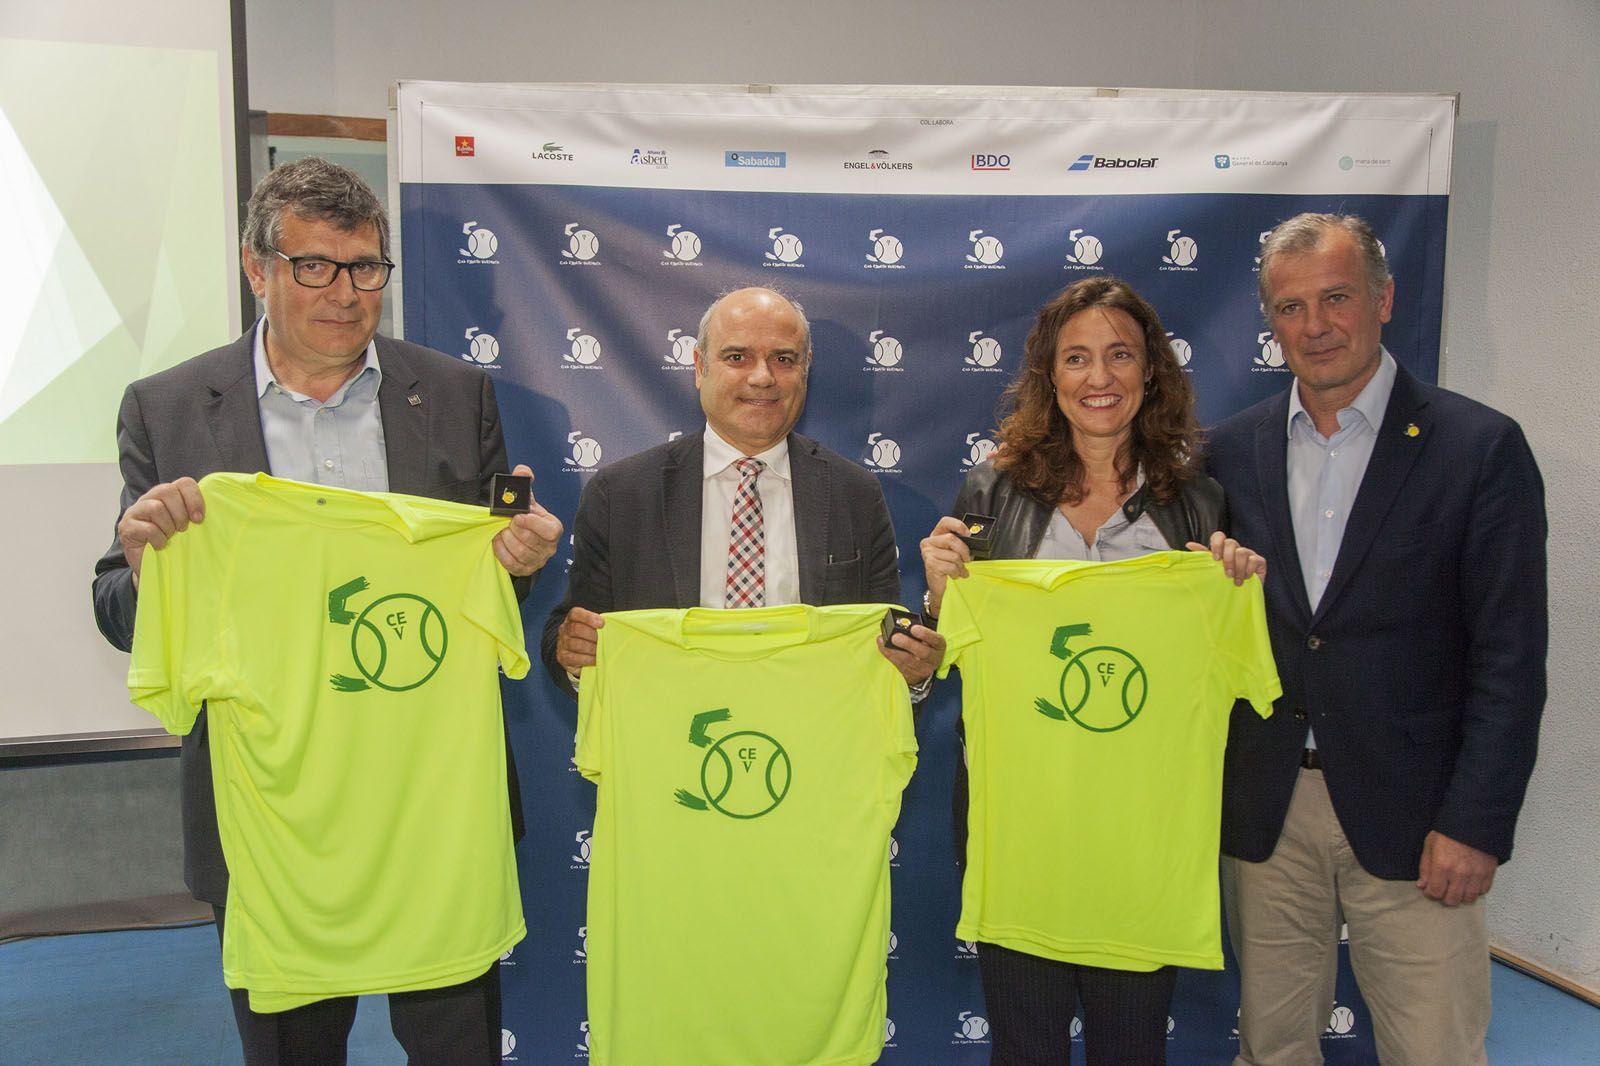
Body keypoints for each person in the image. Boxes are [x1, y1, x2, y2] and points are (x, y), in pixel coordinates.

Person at [90, 157, 562, 1066]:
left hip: (432, 807)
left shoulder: (456, 396)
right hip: (271, 818)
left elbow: (485, 592)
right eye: (315, 266)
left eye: (366, 268)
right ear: (256, 267)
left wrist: (517, 564)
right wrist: (151, 568)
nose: (346, 294)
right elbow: (118, 603)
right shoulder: (169, 408)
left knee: (456, 1047)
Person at [1208, 213, 1547, 1066]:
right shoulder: (1227, 453)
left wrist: (1476, 823)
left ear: (1385, 299)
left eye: (1335, 298)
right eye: (1289, 308)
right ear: (1270, 323)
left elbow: (1509, 659)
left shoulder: (1479, 449)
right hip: (1267, 812)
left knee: (1434, 1051)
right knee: (1272, 1051)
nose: (1314, 326)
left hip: (1421, 819)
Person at [920, 276, 1264, 1066]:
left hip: (1142, 844)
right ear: (1049, 376)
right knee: (1027, 1051)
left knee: (1131, 1051)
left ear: (1152, 372)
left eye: (1119, 355)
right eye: (1076, 358)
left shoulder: (1197, 505)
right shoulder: (991, 494)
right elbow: (945, 654)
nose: (1099, 377)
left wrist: (1233, 584)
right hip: (1023, 839)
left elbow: (1219, 653)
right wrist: (941, 594)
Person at [542, 285, 943, 695]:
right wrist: (574, 655)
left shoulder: (854, 494)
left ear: (806, 370)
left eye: (783, 359)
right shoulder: (621, 494)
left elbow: (883, 644)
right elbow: (567, 637)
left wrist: (911, 673)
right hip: (668, 741)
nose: (762, 377)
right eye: (737, 357)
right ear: (700, 368)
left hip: (813, 741)